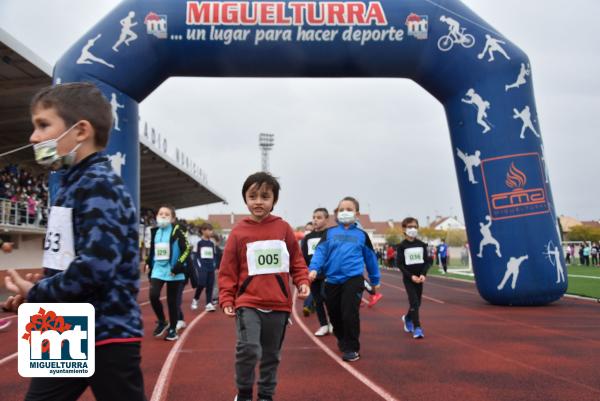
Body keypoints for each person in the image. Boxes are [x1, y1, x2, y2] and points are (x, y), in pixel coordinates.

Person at [3, 82, 145, 400]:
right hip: (60, 324)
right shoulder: (71, 185)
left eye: (43, 125)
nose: (33, 137)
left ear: (80, 131)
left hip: (104, 332)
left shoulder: (98, 185)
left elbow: (96, 267)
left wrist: (38, 291)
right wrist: (37, 295)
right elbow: (71, 261)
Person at [218, 172, 310, 401]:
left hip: (279, 304)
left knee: (271, 355)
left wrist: (302, 281)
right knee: (248, 350)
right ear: (245, 199)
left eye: (265, 196)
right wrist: (227, 298)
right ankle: (245, 393)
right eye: (253, 196)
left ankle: (266, 395)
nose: (258, 201)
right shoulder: (238, 232)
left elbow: (297, 261)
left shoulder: (284, 229)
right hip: (248, 302)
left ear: (274, 200)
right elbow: (228, 269)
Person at [308, 196, 381, 362]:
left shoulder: (361, 235)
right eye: (341, 209)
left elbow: (370, 258)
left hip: (353, 279)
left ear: (357, 213)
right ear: (336, 213)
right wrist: (313, 269)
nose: (345, 212)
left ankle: (352, 348)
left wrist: (375, 279)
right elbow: (320, 252)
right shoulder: (330, 233)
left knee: (350, 313)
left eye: (349, 209)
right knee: (334, 315)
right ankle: (342, 338)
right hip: (332, 280)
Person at [145, 205, 191, 341]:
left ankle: (172, 329)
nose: (163, 216)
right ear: (157, 216)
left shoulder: (178, 231)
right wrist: (148, 261)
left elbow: (187, 249)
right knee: (153, 295)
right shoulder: (154, 231)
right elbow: (153, 249)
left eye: (166, 214)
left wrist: (177, 266)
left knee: (172, 302)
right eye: (161, 213)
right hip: (158, 269)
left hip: (173, 270)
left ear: (172, 218)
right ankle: (162, 321)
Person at [396, 217, 431, 339]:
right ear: (404, 229)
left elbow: (427, 262)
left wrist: (423, 274)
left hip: (419, 279)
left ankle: (407, 318)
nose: (413, 229)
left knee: (417, 303)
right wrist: (411, 276)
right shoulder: (401, 246)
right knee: (414, 302)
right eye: (410, 227)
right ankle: (417, 328)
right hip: (409, 279)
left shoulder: (421, 245)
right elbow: (399, 264)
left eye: (415, 227)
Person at [300, 208, 332, 336]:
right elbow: (303, 256)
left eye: (319, 217)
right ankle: (323, 325)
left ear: (326, 219)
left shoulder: (331, 234)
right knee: (318, 300)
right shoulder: (308, 238)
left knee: (327, 297)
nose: (315, 220)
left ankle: (333, 322)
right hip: (313, 274)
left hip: (328, 273)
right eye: (314, 217)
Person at [191, 222, 217, 312]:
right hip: (202, 266)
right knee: (201, 283)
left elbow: (214, 255)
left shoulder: (212, 243)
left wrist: (214, 264)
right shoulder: (198, 242)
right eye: (209, 230)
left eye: (211, 230)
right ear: (203, 231)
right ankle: (195, 298)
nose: (211, 232)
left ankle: (208, 303)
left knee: (210, 285)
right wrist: (198, 265)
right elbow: (194, 255)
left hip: (210, 266)